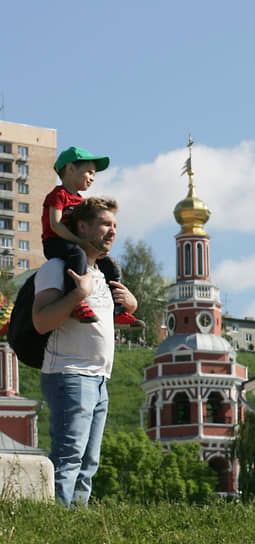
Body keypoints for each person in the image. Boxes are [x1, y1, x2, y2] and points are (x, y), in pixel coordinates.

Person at [33, 197, 138, 506]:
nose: (113, 231)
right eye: (106, 224)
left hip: (99, 379)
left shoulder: (102, 275)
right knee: (69, 458)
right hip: (70, 374)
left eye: (116, 226)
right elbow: (41, 322)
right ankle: (56, 522)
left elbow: (99, 325)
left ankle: (75, 525)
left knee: (88, 464)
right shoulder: (58, 269)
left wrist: (130, 305)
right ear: (82, 227)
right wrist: (78, 293)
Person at [44, 146, 143, 329]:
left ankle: (118, 310)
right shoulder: (59, 194)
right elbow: (55, 225)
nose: (92, 177)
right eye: (89, 172)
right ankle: (74, 300)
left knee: (110, 264)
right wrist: (79, 241)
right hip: (55, 242)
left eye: (94, 174)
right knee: (77, 255)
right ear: (70, 168)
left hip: (76, 244)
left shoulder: (81, 201)